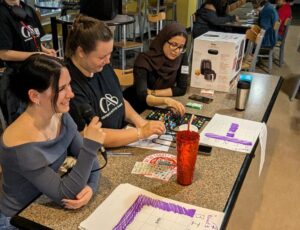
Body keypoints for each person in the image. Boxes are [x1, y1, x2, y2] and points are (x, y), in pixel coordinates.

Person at [0, 54, 105, 229]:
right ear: (35, 96)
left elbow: (93, 165)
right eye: (62, 88)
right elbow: (66, 193)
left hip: (43, 204)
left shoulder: (60, 116)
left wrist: (91, 188)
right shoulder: (21, 146)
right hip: (18, 219)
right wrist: (90, 146)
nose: (71, 93)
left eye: (69, 84)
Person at [65, 15, 165, 148]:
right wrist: (140, 133)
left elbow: (119, 101)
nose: (107, 61)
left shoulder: (101, 66)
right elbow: (90, 135)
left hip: (123, 135)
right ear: (81, 52)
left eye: (110, 54)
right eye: (102, 57)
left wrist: (140, 122)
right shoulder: (68, 85)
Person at [124, 22, 188, 115]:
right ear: (163, 40)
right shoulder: (144, 60)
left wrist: (153, 92)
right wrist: (166, 100)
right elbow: (143, 95)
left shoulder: (181, 56)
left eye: (181, 47)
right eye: (173, 44)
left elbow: (181, 89)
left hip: (159, 106)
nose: (177, 51)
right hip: (136, 109)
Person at [0, 0, 56, 69]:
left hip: (37, 63)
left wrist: (45, 50)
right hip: (19, 70)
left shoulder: (29, 9)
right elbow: (3, 54)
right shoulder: (2, 14)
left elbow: (32, 38)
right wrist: (37, 55)